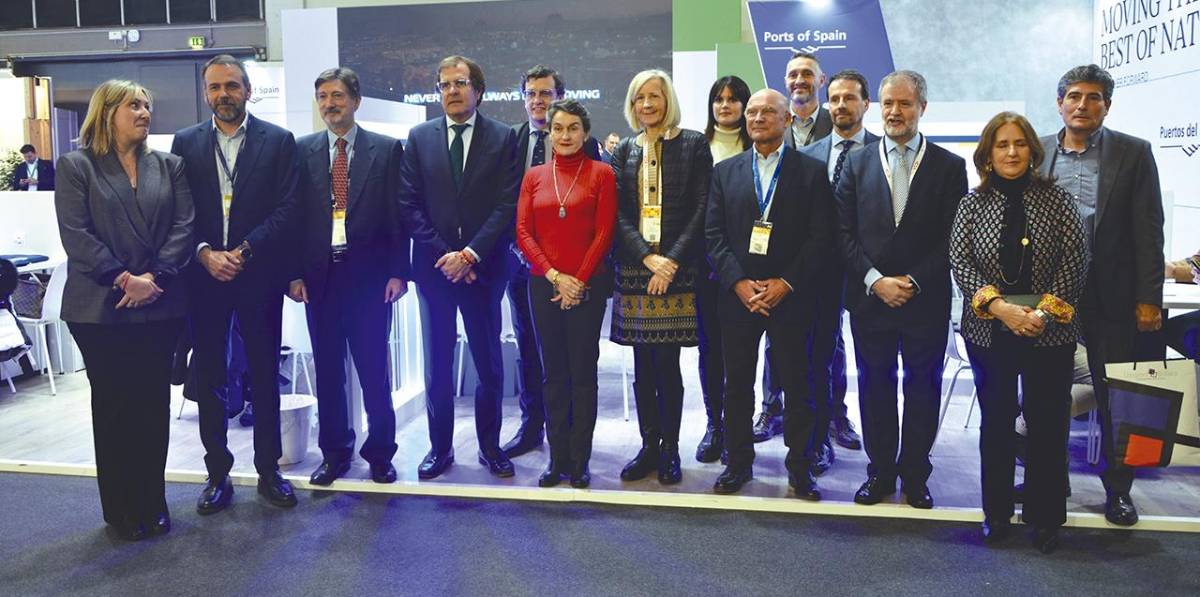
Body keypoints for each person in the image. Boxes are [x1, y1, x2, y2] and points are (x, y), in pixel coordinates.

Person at [56, 80, 194, 540]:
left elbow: (183, 226)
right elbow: (77, 235)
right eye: (134, 104)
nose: (144, 111)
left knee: (152, 406)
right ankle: (120, 508)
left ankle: (152, 503)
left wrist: (153, 279)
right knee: (114, 408)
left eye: (147, 105)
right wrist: (123, 279)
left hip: (158, 304)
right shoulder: (78, 167)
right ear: (107, 111)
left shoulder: (169, 165)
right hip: (100, 310)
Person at [951, 111, 1087, 553]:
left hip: (1050, 332)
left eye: (1020, 144)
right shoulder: (972, 204)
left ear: (1033, 150)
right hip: (990, 331)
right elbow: (961, 262)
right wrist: (1002, 309)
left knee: (1048, 424)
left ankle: (1046, 517)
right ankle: (996, 513)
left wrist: (1043, 314)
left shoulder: (1057, 200)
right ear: (988, 154)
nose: (1012, 152)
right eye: (1002, 145)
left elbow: (1075, 260)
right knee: (997, 422)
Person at [172, 54, 301, 514]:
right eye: (214, 87)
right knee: (210, 378)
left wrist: (243, 251)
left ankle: (270, 470)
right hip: (204, 277)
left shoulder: (278, 141)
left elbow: (288, 208)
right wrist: (205, 253)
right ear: (206, 93)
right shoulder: (185, 143)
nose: (222, 94)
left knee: (265, 374)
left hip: (257, 273)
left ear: (248, 90)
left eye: (231, 85)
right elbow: (178, 211)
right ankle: (217, 474)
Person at [1037, 64, 1164, 526]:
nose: (1082, 105)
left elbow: (1149, 230)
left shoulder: (1133, 153)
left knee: (1116, 399)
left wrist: (1149, 297)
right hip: (1050, 297)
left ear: (1107, 106)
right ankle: (1048, 481)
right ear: (1059, 103)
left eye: (1093, 98)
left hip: (1111, 297)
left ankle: (1119, 491)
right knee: (1044, 393)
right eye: (1074, 96)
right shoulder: (1039, 152)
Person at [836, 70, 967, 509]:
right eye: (888, 103)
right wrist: (875, 280)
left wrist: (911, 281)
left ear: (922, 108)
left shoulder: (950, 167)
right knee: (874, 386)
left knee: (922, 386)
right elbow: (841, 231)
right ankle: (880, 472)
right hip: (870, 299)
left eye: (905, 104)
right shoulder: (856, 161)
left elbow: (953, 237)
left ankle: (915, 473)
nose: (895, 112)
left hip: (923, 301)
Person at [705, 88, 833, 498]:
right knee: (737, 384)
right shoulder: (725, 172)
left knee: (799, 384)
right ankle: (738, 463)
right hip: (738, 296)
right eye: (753, 112)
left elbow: (819, 237)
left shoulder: (811, 171)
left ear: (786, 119)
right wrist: (739, 283)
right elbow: (714, 234)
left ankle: (800, 467)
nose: (758, 118)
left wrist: (786, 283)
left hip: (790, 296)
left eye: (768, 112)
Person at [398, 55, 521, 480]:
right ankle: (440, 449)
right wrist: (447, 255)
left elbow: (508, 204)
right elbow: (409, 206)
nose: (452, 90)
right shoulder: (418, 138)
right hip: (435, 272)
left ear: (478, 90)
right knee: (437, 362)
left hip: (483, 270)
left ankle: (490, 447)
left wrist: (470, 254)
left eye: (461, 82)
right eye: (445, 84)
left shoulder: (504, 138)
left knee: (488, 363)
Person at [290, 67, 409, 486]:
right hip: (320, 282)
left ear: (356, 101)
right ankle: (335, 453)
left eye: (337, 95)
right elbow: (294, 219)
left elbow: (399, 215)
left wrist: (399, 271)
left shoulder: (387, 149)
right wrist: (293, 275)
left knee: (374, 372)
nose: (329, 104)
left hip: (371, 283)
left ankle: (380, 453)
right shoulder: (300, 151)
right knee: (328, 372)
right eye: (322, 96)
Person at [610, 69, 712, 485]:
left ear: (668, 99)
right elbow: (616, 215)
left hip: (677, 271)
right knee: (641, 366)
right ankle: (647, 445)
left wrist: (669, 262)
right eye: (639, 98)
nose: (647, 105)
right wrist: (647, 258)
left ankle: (670, 448)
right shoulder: (623, 152)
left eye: (655, 96)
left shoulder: (692, 143)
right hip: (636, 272)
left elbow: (702, 208)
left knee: (667, 366)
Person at [516, 98, 616, 488]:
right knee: (553, 374)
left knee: (582, 374)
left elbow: (604, 233)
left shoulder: (601, 174)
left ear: (585, 133)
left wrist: (577, 281)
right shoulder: (534, 177)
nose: (565, 135)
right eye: (558, 128)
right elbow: (524, 232)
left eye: (573, 128)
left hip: (587, 288)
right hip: (544, 285)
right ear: (549, 132)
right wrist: (558, 277)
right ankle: (556, 459)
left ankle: (580, 461)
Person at [502, 65, 601, 460]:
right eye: (531, 94)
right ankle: (533, 426)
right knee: (528, 346)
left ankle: (573, 438)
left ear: (561, 97)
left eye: (546, 93)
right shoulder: (511, 140)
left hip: (572, 274)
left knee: (572, 357)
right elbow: (503, 203)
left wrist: (570, 275)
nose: (538, 101)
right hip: (521, 265)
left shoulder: (585, 145)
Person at [796, 69, 877, 474]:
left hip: (870, 274)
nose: (842, 105)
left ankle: (876, 448)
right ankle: (819, 439)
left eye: (850, 98)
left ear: (865, 103)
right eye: (836, 98)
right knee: (819, 358)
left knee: (871, 364)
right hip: (818, 274)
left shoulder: (884, 151)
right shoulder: (809, 155)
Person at [754, 50, 833, 443]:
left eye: (807, 74)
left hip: (822, 257)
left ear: (821, 81)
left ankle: (833, 414)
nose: (799, 80)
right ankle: (771, 407)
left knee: (827, 345)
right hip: (774, 258)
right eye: (792, 75)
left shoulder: (836, 123)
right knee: (775, 341)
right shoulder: (768, 124)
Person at [693, 74, 751, 464]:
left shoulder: (762, 144)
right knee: (711, 349)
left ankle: (741, 428)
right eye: (718, 98)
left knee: (745, 355)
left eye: (733, 99)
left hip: (754, 266)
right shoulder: (698, 146)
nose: (725, 105)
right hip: (707, 266)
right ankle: (715, 424)